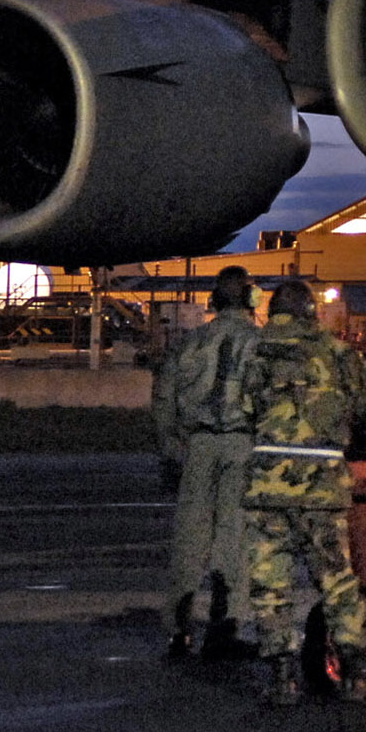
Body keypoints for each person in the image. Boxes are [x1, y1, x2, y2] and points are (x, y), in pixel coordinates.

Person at [238, 275, 366, 706]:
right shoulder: (335, 352)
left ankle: (281, 679)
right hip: (322, 486)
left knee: (270, 584)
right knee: (337, 581)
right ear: (310, 312)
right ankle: (355, 675)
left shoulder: (254, 351)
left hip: (268, 485)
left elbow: (238, 407)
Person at [149, 265, 260, 659]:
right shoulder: (259, 343)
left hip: (198, 445)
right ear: (249, 299)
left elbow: (164, 398)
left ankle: (179, 630)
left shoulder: (191, 343)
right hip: (241, 445)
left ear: (213, 300)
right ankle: (225, 627)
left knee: (190, 540)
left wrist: (172, 448)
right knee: (234, 538)